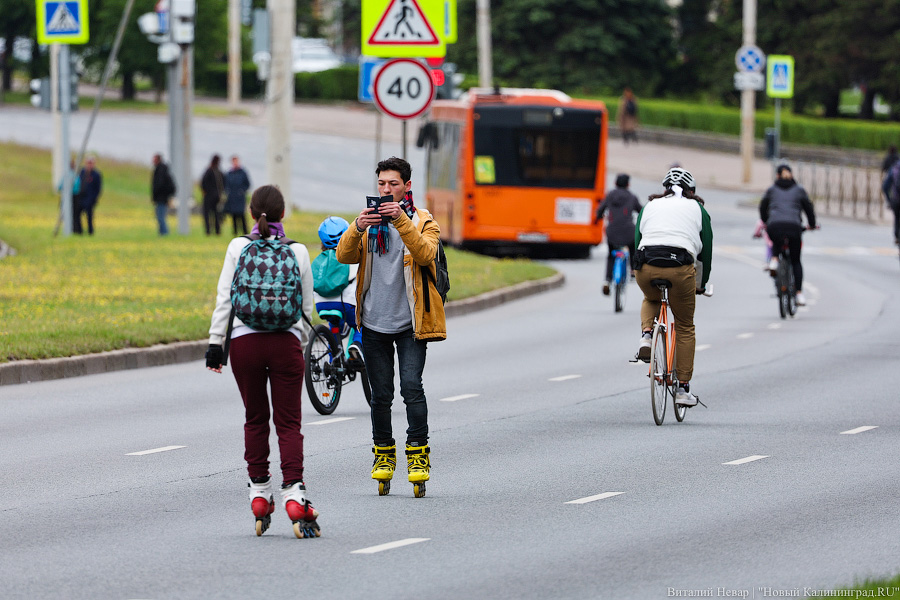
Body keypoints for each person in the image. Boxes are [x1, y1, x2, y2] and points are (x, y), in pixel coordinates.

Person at [205, 184, 319, 538]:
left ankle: (259, 493)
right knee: (288, 423)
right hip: (284, 345)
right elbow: (307, 308)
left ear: (253, 213)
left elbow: (225, 298)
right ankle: (295, 496)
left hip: (244, 344)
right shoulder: (297, 251)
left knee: (255, 418)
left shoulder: (238, 246)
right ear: (283, 214)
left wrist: (214, 344)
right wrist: (296, 343)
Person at [335, 156, 446, 498]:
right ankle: (383, 455)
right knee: (380, 396)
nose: (386, 190)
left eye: (393, 184)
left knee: (411, 387)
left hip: (410, 323)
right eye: (382, 184)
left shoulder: (424, 221)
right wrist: (357, 227)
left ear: (407, 186)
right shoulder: (368, 226)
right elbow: (343, 256)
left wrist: (401, 221)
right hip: (372, 323)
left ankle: (418, 456)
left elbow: (427, 255)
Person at [634, 167, 713, 407]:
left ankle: (647, 336)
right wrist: (702, 283)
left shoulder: (649, 206)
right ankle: (683, 388)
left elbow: (638, 240)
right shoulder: (698, 209)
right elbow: (705, 252)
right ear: (692, 191)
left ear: (664, 189)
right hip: (680, 266)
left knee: (651, 298)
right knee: (685, 326)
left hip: (645, 264)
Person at [759, 164, 817, 306]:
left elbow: (762, 206)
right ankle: (799, 294)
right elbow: (809, 208)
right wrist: (812, 224)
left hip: (774, 226)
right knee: (796, 260)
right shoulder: (799, 190)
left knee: (776, 240)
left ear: (777, 176)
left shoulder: (772, 189)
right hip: (794, 227)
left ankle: (774, 260)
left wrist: (766, 221)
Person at [312, 216, 363, 361]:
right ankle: (357, 346)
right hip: (346, 304)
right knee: (362, 325)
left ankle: (332, 362)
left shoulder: (320, 260)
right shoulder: (350, 258)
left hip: (321, 304)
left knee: (334, 327)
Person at [594, 173, 642, 296]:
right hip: (628, 232)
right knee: (633, 247)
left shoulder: (610, 195)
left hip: (612, 232)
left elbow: (600, 210)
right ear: (628, 184)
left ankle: (607, 280)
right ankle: (632, 271)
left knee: (611, 255)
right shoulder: (632, 197)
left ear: (615, 183)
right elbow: (641, 211)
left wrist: (597, 218)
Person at [223, 155, 251, 235]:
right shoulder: (229, 173)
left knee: (242, 216)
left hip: (240, 198)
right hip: (232, 197)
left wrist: (242, 191)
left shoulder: (243, 173)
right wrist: (227, 192)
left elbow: (248, 184)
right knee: (234, 216)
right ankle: (235, 232)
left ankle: (245, 232)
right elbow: (226, 185)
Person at [75, 157, 102, 235]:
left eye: (91, 163)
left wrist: (93, 199)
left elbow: (98, 189)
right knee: (77, 214)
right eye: (88, 163)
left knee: (89, 217)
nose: (89, 165)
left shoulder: (96, 174)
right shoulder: (81, 172)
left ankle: (90, 232)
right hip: (80, 198)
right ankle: (79, 231)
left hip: (90, 199)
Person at [150, 153, 176, 235]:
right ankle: (162, 233)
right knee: (160, 216)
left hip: (161, 197)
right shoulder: (163, 170)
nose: (152, 161)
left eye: (154, 159)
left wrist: (156, 194)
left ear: (158, 160)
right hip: (163, 197)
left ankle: (164, 233)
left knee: (160, 217)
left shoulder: (160, 170)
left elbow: (159, 184)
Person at [200, 154, 224, 236]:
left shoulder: (209, 170)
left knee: (207, 214)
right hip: (217, 196)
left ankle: (208, 231)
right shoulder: (219, 172)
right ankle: (217, 230)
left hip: (208, 196)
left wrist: (205, 191)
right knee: (216, 214)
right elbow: (223, 184)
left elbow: (203, 182)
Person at [883, 146, 900, 245]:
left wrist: (889, 200)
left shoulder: (894, 168)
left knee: (897, 218)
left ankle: (897, 236)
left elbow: (885, 186)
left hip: (896, 199)